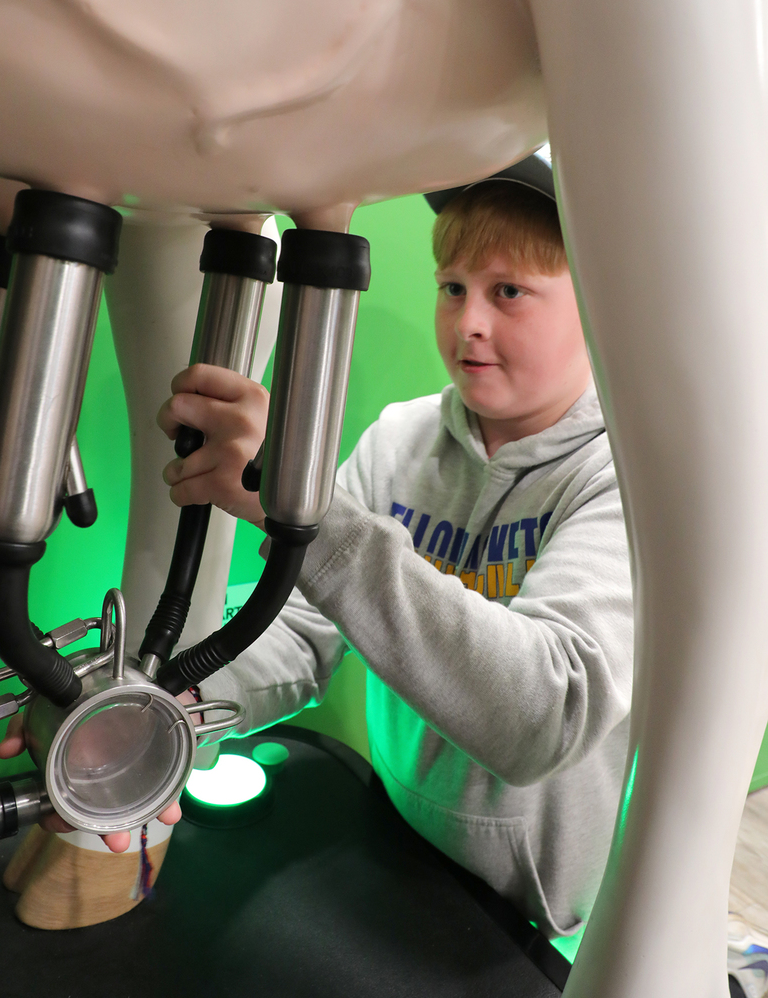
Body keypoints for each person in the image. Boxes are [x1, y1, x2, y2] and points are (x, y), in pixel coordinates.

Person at [158, 154, 634, 941]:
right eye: (454, 287)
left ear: (596, 303)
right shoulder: (401, 437)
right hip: (399, 850)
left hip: (543, 918)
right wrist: (169, 704)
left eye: (508, 291)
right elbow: (302, 626)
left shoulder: (621, 476)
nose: (468, 322)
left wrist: (305, 507)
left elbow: (548, 715)